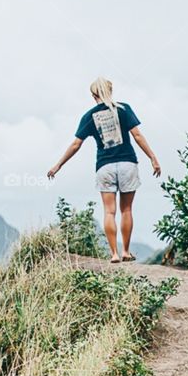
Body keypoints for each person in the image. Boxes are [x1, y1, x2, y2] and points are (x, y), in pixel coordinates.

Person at [47, 77, 161, 263]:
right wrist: (152, 157)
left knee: (109, 212)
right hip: (128, 164)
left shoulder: (89, 116)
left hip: (105, 166)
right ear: (111, 91)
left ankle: (114, 254)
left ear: (93, 96)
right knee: (126, 210)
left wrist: (58, 165)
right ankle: (126, 251)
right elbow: (137, 135)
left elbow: (76, 144)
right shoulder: (124, 109)